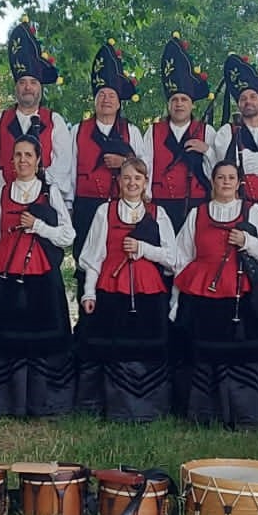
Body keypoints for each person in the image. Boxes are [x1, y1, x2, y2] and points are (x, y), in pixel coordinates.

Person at [0, 134, 78, 416]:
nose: (23, 160)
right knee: (4, 339)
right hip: (6, 274)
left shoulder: (49, 192)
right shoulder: (4, 193)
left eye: (28, 155)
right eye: (18, 155)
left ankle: (44, 403)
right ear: (12, 160)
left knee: (43, 339)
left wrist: (38, 226)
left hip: (42, 278)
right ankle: (5, 402)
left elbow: (68, 235)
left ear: (38, 160)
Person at [171, 160, 258, 427]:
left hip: (240, 297)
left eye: (231, 177)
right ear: (212, 181)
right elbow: (180, 257)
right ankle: (204, 417)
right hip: (204, 296)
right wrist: (175, 300)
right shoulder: (198, 214)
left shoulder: (252, 211)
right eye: (221, 177)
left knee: (240, 358)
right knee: (204, 355)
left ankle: (243, 416)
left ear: (239, 182)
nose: (226, 182)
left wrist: (247, 242)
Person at [77, 157, 180, 421]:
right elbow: (93, 257)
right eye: (126, 178)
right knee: (111, 346)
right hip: (112, 288)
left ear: (145, 182)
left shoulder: (158, 214)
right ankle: (112, 408)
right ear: (119, 182)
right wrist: (89, 292)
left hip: (148, 290)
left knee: (145, 347)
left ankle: (148, 409)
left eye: (137, 178)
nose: (132, 183)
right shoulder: (105, 211)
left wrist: (144, 249)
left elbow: (173, 259)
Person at [69, 39, 150, 334]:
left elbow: (143, 169)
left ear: (119, 101)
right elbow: (69, 173)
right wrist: (69, 209)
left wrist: (125, 162)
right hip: (86, 207)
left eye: (111, 95)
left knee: (121, 263)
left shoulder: (132, 131)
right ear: (94, 99)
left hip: (123, 209)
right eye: (101, 94)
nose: (106, 99)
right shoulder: (77, 131)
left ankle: (122, 328)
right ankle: (87, 329)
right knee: (86, 265)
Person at [0, 18, 75, 204]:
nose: (28, 87)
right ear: (16, 87)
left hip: (44, 204)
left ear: (40, 87)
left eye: (33, 82)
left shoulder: (55, 122)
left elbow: (62, 171)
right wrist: (13, 191)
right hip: (5, 204)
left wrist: (33, 188)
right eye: (22, 82)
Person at [208, 54, 258, 225]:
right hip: (237, 209)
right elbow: (230, 166)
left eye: (253, 96)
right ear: (238, 104)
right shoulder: (227, 132)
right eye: (243, 98)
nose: (248, 101)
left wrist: (246, 161)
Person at [147, 33, 212, 233]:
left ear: (192, 105)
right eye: (174, 100)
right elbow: (145, 165)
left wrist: (207, 150)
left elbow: (219, 168)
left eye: (184, 100)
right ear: (168, 104)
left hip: (197, 203)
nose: (179, 104)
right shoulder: (153, 131)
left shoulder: (206, 131)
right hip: (161, 203)